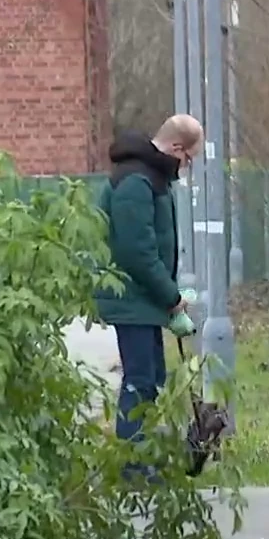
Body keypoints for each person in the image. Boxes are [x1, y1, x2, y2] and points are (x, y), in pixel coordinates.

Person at [93, 114, 203, 460]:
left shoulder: (147, 177)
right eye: (188, 158)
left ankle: (144, 458)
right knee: (140, 381)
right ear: (175, 147)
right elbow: (137, 250)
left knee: (150, 376)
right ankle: (133, 465)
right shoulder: (136, 183)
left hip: (142, 300)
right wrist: (170, 296)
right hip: (131, 298)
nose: (186, 167)